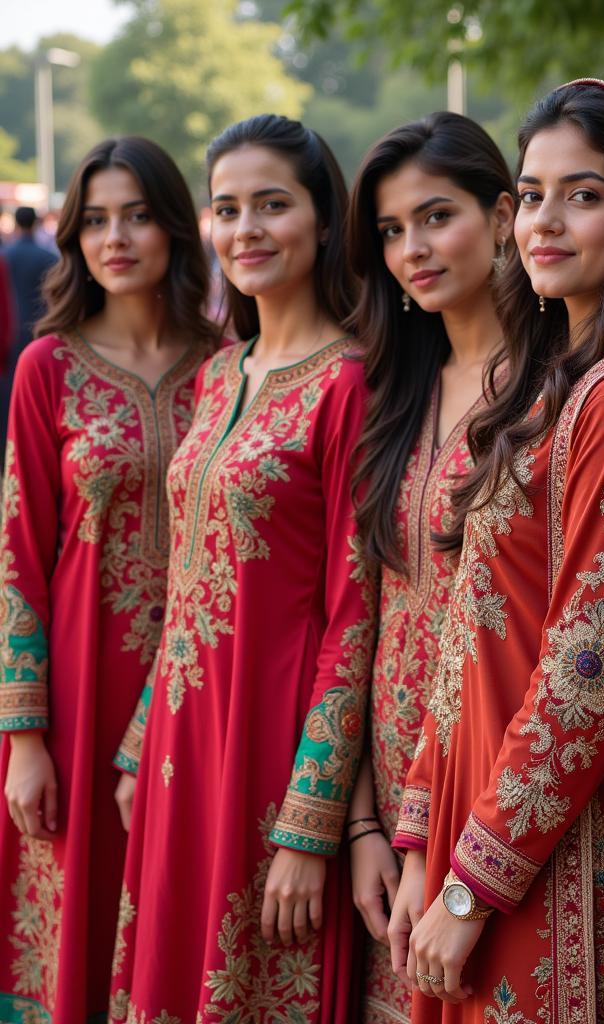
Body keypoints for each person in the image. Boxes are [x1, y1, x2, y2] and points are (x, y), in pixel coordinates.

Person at [387, 80, 604, 1024]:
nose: (545, 223)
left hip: (550, 852)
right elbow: (462, 634)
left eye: (585, 194)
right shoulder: (540, 388)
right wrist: (417, 836)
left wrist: (476, 880)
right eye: (533, 194)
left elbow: (592, 668)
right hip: (474, 811)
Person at [108, 115, 373, 1022]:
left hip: (273, 750)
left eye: (273, 204)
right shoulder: (224, 372)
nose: (247, 228)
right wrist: (143, 740)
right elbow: (188, 580)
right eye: (227, 207)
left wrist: (311, 822)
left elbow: (355, 612)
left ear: (326, 220)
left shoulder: (352, 381)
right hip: (186, 738)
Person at [0, 137, 215, 1023]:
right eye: (93, 220)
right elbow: (16, 556)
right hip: (81, 698)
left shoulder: (232, 362)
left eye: (135, 215)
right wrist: (24, 736)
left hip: (204, 690)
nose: (115, 237)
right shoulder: (46, 369)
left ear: (172, 224)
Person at [344, 113, 514, 1024]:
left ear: (503, 215)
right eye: (392, 230)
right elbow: (360, 617)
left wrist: (438, 850)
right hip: (388, 810)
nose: (413, 247)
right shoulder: (395, 391)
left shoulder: (553, 389)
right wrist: (365, 823)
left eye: (436, 216)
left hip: (491, 797)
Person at [0, 208, 58, 466]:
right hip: (37, 330)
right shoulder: (47, 257)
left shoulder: (5, 255)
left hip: (8, 334)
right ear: (35, 223)